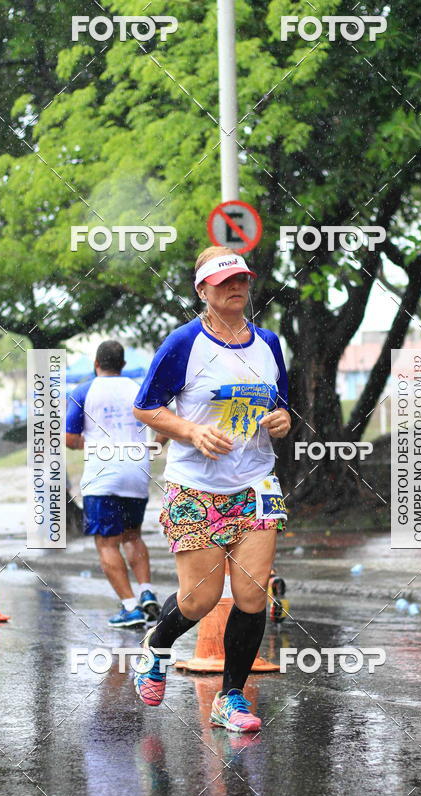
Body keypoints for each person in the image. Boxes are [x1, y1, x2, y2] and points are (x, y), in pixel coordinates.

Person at [132, 247, 291, 733]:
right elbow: (146, 407)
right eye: (223, 282)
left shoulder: (268, 343)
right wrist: (191, 432)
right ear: (203, 291)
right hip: (196, 486)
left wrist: (283, 420)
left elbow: (280, 405)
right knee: (200, 600)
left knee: (250, 595)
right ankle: (157, 644)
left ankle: (232, 697)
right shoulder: (184, 343)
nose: (235, 287)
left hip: (256, 483)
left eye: (241, 278)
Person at [65, 340, 160, 627]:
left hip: (103, 476)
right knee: (133, 535)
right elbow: (164, 422)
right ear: (123, 365)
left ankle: (130, 608)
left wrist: (94, 443)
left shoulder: (84, 389)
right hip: (137, 470)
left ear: (96, 364)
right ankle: (146, 592)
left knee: (107, 543)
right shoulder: (137, 388)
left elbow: (69, 438)